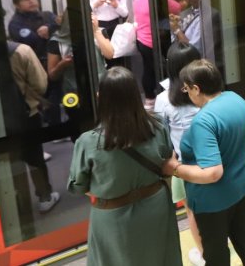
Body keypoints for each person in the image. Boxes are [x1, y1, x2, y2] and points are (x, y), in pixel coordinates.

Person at [68, 67, 181, 266]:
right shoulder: (158, 126)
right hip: (157, 207)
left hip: (113, 218)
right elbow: (166, 162)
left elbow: (78, 186)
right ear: (135, 95)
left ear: (100, 97)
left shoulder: (88, 142)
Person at [168, 60, 245, 266]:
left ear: (197, 88)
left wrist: (175, 169)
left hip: (214, 202)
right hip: (243, 187)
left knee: (217, 256)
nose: (187, 93)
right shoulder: (235, 99)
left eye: (187, 89)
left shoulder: (203, 121)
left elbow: (213, 172)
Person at [153, 43, 205, 266]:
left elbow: (161, 136)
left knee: (192, 211)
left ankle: (203, 254)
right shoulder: (208, 92)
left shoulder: (164, 100)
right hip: (213, 160)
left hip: (183, 167)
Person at [6, 29, 60, 213]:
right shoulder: (21, 50)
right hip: (26, 113)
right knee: (34, 157)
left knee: (10, 160)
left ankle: (17, 199)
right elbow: (40, 83)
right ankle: (44, 195)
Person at [133, 0, 182, 104]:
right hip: (156, 41)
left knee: (148, 69)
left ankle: (149, 98)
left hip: (141, 40)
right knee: (165, 68)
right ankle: (168, 96)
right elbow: (177, 8)